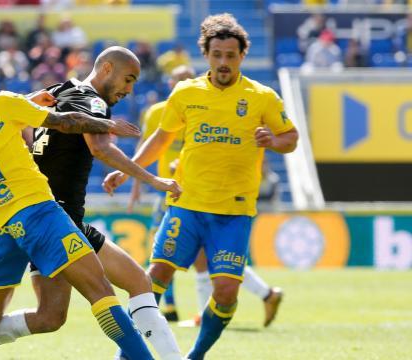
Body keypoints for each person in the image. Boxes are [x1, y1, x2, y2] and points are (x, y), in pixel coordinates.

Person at [0, 47, 183, 360]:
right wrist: (108, 126)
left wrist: (29, 103)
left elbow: (10, 127)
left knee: (17, 314)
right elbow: (68, 125)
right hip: (42, 211)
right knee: (104, 292)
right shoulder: (18, 101)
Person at [103, 14, 299, 359]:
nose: (224, 62)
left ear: (242, 56)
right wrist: (130, 171)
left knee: (225, 292)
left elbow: (291, 138)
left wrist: (274, 140)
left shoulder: (262, 97)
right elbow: (161, 139)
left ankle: (195, 356)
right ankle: (129, 354)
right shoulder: (186, 93)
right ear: (206, 55)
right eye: (217, 54)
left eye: (231, 55)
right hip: (187, 203)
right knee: (154, 277)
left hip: (233, 211)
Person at [130, 65, 284, 328]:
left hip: (194, 191)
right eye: (177, 79)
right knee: (180, 256)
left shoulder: (206, 106)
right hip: (167, 190)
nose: (181, 83)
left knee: (193, 256)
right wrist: (136, 182)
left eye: (186, 79)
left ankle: (177, 312)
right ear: (170, 84)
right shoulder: (158, 113)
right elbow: (149, 144)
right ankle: (176, 309)